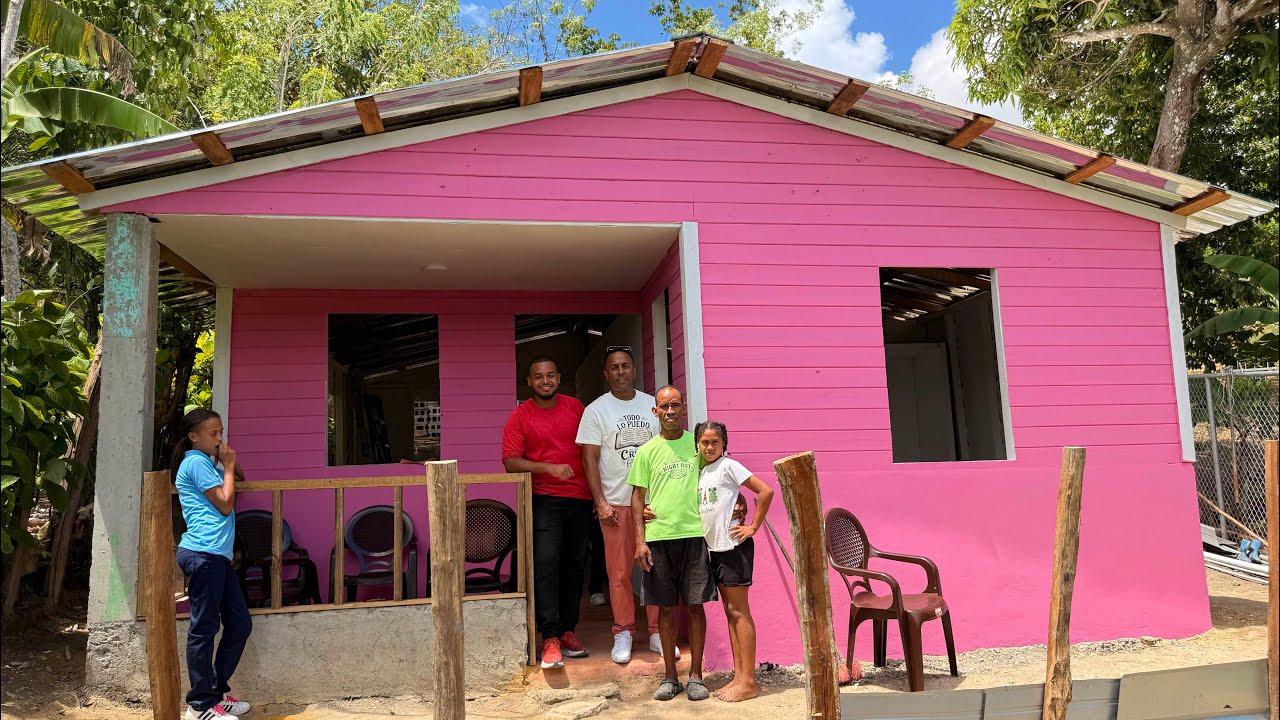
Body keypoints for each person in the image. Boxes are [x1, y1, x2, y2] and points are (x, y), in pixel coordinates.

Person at [576, 346, 667, 664]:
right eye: (614, 367)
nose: (620, 372)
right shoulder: (596, 410)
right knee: (618, 574)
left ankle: (657, 632)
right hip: (615, 504)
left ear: (634, 370)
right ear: (606, 374)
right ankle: (624, 631)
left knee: (655, 570)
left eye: (625, 366)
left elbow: (664, 451)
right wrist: (600, 502)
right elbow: (589, 459)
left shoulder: (651, 406)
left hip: (652, 504)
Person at [502, 356, 592, 669]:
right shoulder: (520, 415)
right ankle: (549, 636)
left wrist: (599, 494)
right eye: (538, 376)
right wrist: (548, 468)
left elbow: (593, 451)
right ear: (530, 381)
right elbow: (510, 461)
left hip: (581, 498)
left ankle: (568, 631)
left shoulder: (576, 408)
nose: (545, 381)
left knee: (575, 566)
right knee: (546, 565)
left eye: (550, 375)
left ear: (558, 378)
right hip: (543, 499)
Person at [628, 386, 715, 701]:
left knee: (695, 605)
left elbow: (718, 477)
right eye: (663, 407)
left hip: (694, 536)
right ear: (655, 412)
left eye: (675, 405)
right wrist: (640, 542)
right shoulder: (647, 451)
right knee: (665, 608)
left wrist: (738, 504)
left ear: (683, 407)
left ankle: (696, 676)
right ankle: (669, 676)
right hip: (660, 539)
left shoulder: (698, 448)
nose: (669, 412)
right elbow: (637, 498)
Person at [171, 409, 252, 720]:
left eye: (221, 432)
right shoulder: (194, 463)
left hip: (216, 556)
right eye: (213, 434)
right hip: (202, 554)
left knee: (240, 623)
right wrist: (227, 466)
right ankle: (200, 706)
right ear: (193, 436)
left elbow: (240, 476)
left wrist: (226, 460)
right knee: (204, 629)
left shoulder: (208, 461)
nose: (219, 438)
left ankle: (216, 693)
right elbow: (225, 504)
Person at [693, 420, 774, 702]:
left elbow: (765, 491)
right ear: (697, 445)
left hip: (733, 547)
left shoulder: (729, 466)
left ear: (724, 444)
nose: (710, 446)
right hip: (713, 549)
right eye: (704, 442)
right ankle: (739, 676)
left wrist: (753, 526)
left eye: (715, 441)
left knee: (739, 611)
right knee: (730, 612)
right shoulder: (701, 471)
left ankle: (749, 681)